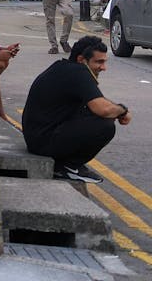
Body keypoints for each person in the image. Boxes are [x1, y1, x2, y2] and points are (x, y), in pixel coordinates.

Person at [21, 36, 132, 184]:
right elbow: (103, 109)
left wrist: (117, 110)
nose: (103, 67)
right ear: (81, 59)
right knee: (105, 126)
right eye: (99, 62)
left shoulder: (65, 68)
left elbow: (99, 100)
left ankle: (66, 164)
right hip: (42, 142)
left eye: (104, 62)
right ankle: (69, 167)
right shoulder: (78, 72)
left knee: (98, 114)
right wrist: (123, 111)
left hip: (38, 137)